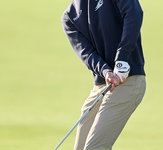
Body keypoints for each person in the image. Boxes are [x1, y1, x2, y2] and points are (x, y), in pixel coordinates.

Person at [61, 0, 146, 149]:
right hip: (102, 85)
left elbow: (134, 14)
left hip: (128, 80)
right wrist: (106, 71)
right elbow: (86, 53)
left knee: (94, 148)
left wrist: (122, 57)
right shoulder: (69, 17)